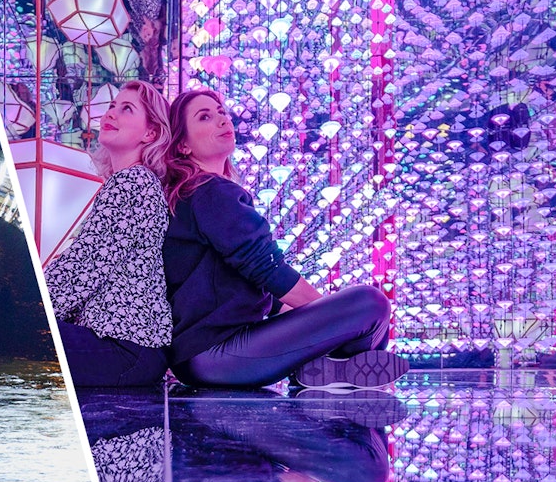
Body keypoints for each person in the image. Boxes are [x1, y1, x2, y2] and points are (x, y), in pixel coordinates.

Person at [161, 89, 408, 389]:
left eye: (221, 112)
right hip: (216, 354)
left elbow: (253, 284)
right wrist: (329, 318)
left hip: (206, 357)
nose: (222, 120)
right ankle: (335, 366)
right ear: (183, 145)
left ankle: (331, 371)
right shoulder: (210, 192)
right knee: (370, 304)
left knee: (364, 310)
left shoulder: (198, 194)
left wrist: (316, 321)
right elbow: (267, 270)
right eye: (205, 117)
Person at [44, 80, 173, 387]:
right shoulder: (129, 182)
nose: (109, 115)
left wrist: (39, 308)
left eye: (126, 109)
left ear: (150, 133)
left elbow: (84, 266)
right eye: (112, 106)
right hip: (124, 345)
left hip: (125, 346)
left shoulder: (133, 182)